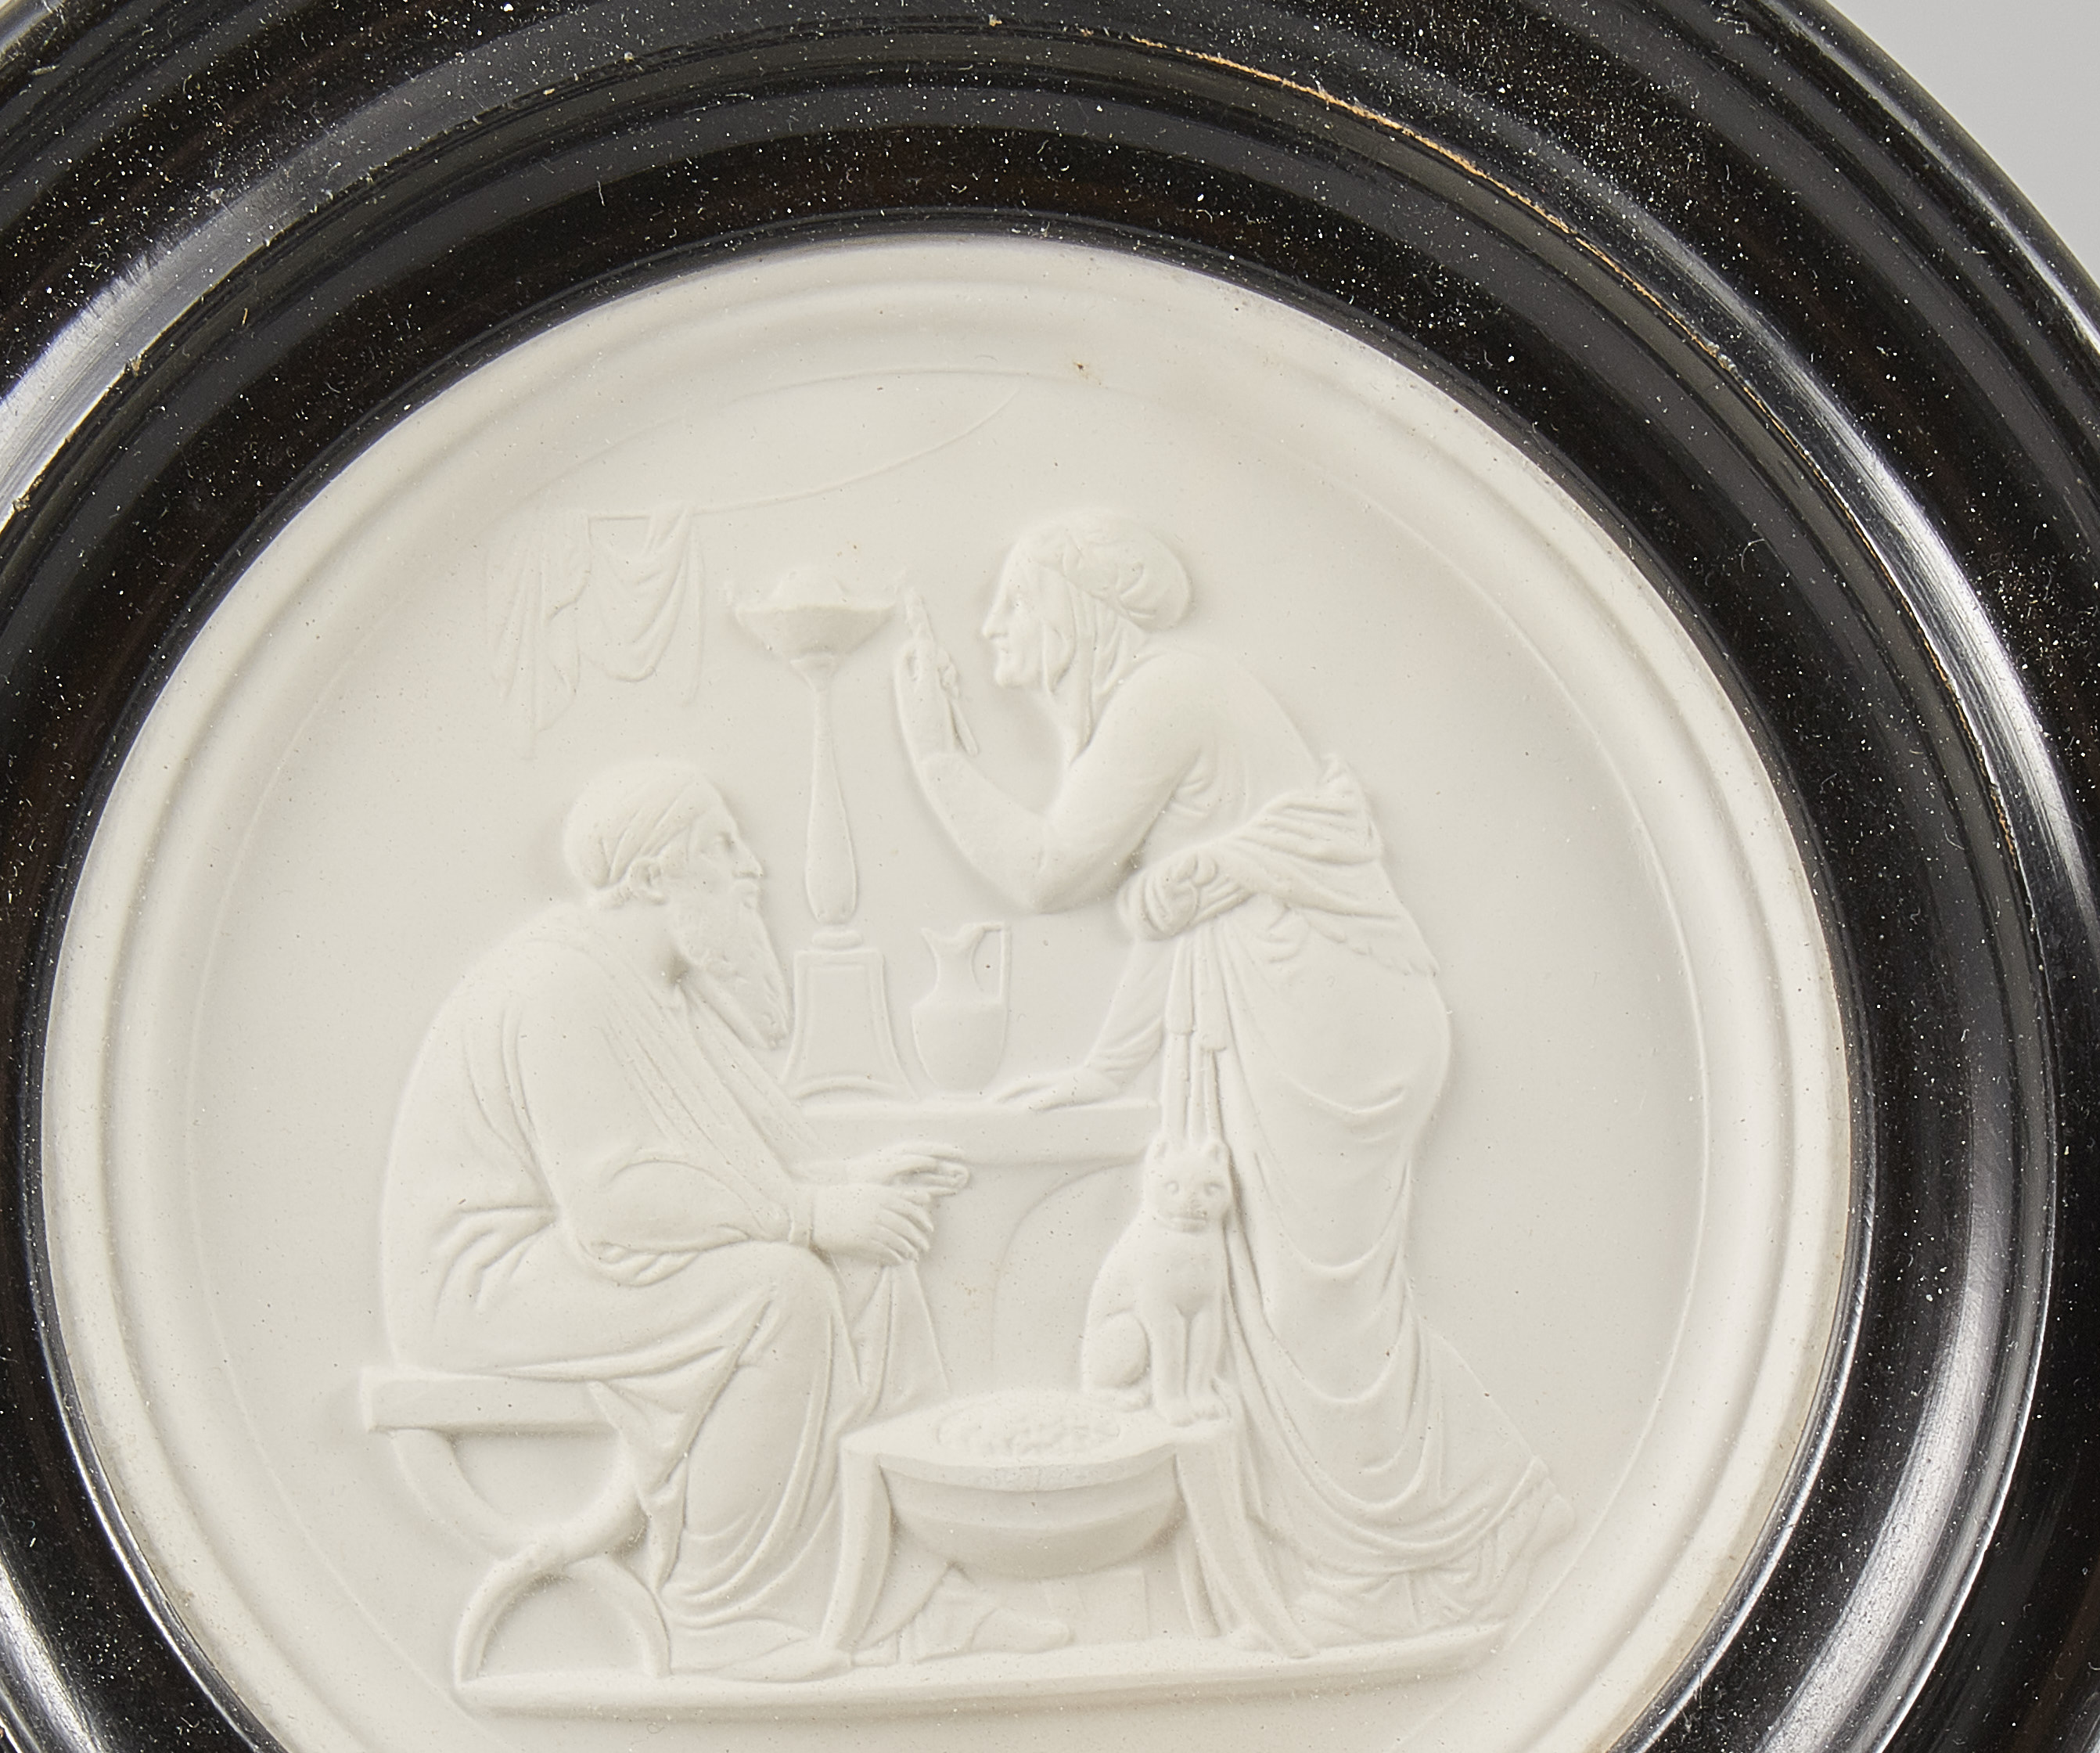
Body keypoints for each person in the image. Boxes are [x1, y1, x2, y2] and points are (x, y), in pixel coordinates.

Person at [894, 514, 1568, 1640]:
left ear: (1074, 610)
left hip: (1328, 1021)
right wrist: (1103, 1068)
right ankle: (1455, 1530)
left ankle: (1401, 1563)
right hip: (1299, 1007)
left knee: (1312, 1307)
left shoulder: (1170, 692)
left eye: (1015, 599)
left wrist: (936, 758)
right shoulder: (1159, 702)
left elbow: (1051, 871)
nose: (995, 627)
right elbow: (1187, 916)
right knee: (1285, 1298)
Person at [381, 758, 1065, 1679]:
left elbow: (724, 1161)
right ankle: (718, 1610)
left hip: (569, 1260)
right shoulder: (561, 984)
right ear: (653, 875)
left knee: (876, 1263)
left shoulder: (661, 992)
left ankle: (906, 1596)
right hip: (486, 1283)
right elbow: (615, 1200)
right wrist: (812, 1211)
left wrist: (844, 1182)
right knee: (780, 1293)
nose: (751, 869)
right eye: (722, 846)